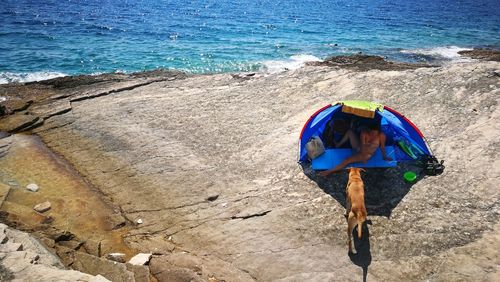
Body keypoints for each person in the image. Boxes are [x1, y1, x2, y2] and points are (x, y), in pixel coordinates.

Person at [319, 123, 392, 176]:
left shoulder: (381, 135)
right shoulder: (364, 133)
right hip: (360, 148)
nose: (372, 135)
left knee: (346, 160)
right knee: (350, 132)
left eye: (375, 133)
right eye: (371, 132)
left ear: (378, 131)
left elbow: (382, 146)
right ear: (369, 130)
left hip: (367, 154)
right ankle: (338, 145)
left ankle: (329, 171)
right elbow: (362, 145)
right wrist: (360, 152)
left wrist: (385, 157)